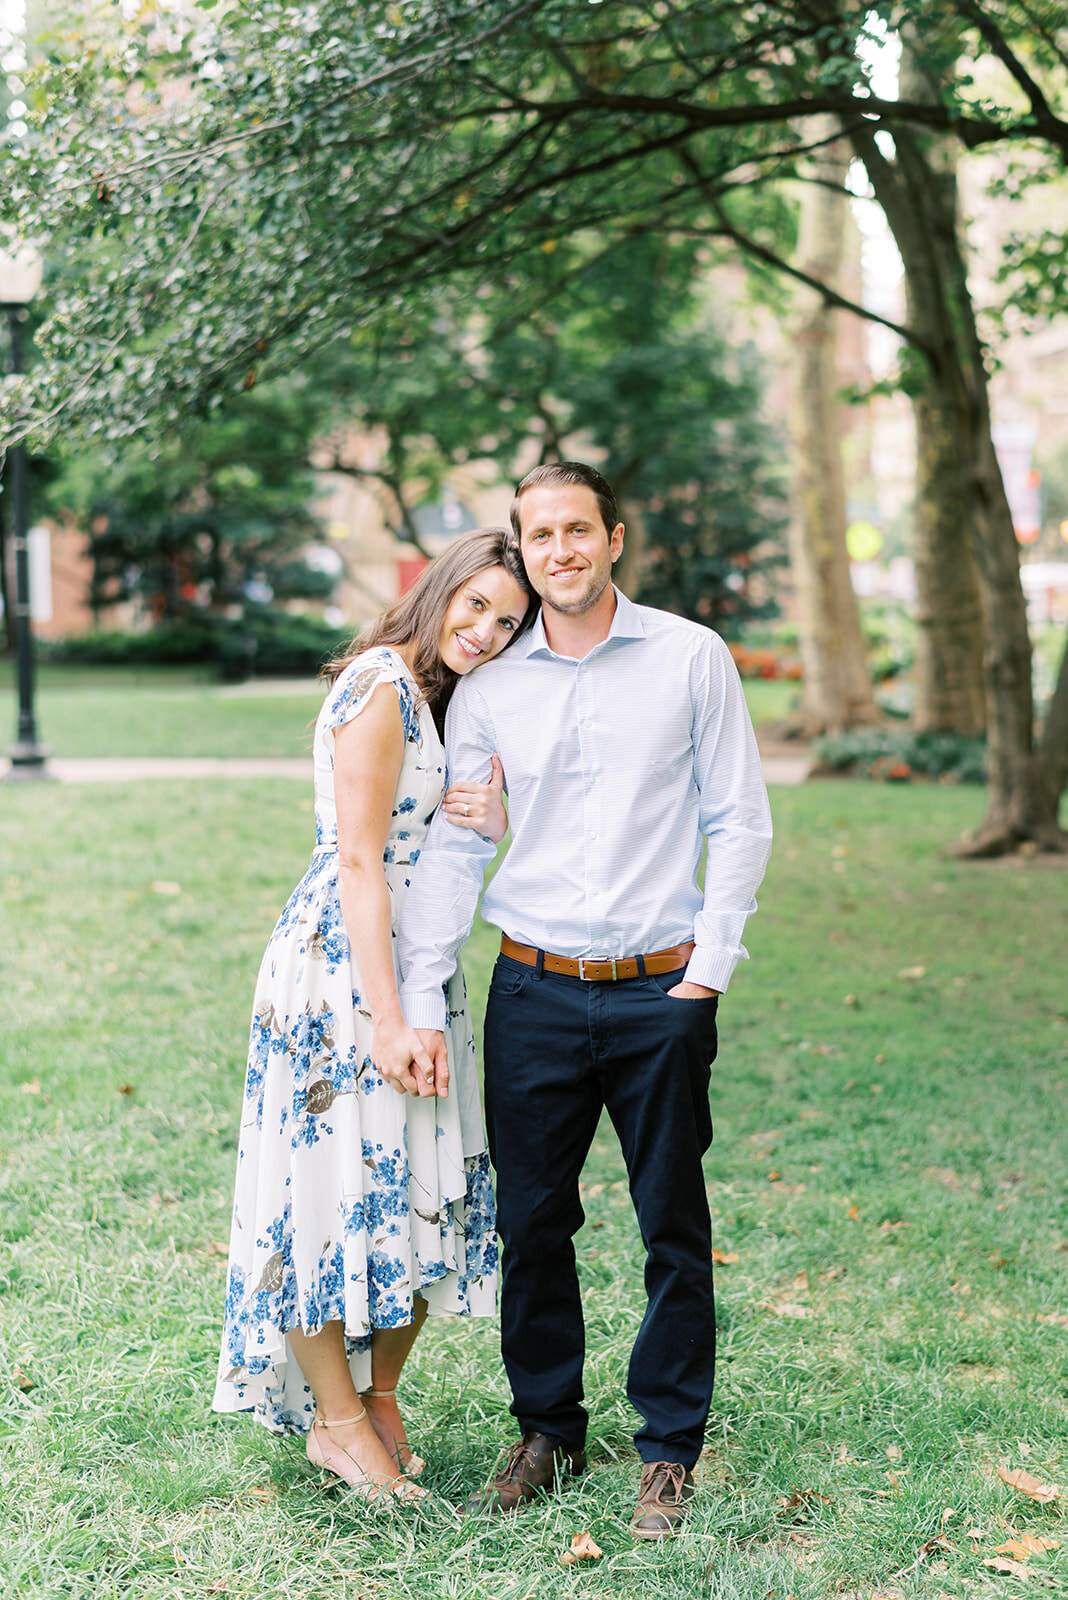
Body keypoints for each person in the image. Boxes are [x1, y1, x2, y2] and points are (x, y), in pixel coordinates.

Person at [398, 463, 773, 1537]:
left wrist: (708, 970)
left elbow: (738, 818)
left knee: (671, 1221)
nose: (559, 549)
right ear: (525, 547)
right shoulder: (494, 683)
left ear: (614, 536)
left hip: (662, 986)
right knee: (532, 1222)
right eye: (539, 534)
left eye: (577, 529)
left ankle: (668, 1447)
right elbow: (464, 842)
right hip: (535, 987)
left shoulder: (689, 657)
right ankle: (548, 1428)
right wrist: (426, 987)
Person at [212, 527, 534, 1503]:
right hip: (343, 969)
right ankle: (338, 1424)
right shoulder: (382, 685)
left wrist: (480, 820)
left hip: (414, 958)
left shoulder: (436, 697)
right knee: (321, 1193)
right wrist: (389, 1020)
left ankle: (379, 1396)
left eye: (507, 622)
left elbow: (423, 843)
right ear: (439, 589)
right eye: (475, 604)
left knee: (421, 1180)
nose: (485, 629)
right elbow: (358, 859)